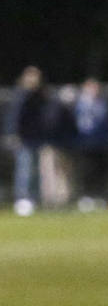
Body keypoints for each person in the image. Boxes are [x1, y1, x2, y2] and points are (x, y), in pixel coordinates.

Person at [5, 65, 54, 215]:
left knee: (36, 170)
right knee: (24, 169)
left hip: (37, 137)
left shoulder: (40, 95)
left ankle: (34, 198)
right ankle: (22, 199)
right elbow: (14, 117)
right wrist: (13, 134)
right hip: (24, 137)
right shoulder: (21, 94)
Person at [72, 77, 108, 210]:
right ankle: (86, 196)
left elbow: (107, 122)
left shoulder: (102, 103)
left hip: (101, 143)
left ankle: (100, 196)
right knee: (87, 170)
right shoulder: (80, 104)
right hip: (86, 143)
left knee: (101, 171)